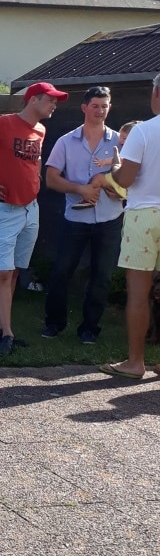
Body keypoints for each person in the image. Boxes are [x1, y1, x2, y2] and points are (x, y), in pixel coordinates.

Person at [0, 81, 68, 357]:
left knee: (16, 271)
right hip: (4, 210)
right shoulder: (3, 124)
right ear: (33, 100)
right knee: (3, 273)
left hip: (31, 210)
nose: (54, 105)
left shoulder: (40, 130)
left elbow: (35, 163)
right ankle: (8, 334)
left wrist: (34, 184)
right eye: (50, 100)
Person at [40, 85, 124, 345]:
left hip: (109, 219)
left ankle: (89, 328)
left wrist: (112, 187)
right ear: (84, 108)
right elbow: (51, 179)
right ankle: (54, 324)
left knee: (102, 276)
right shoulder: (66, 141)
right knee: (61, 271)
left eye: (105, 106)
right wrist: (80, 189)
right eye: (95, 105)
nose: (100, 110)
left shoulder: (120, 142)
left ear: (109, 108)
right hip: (75, 219)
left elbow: (131, 178)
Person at [101, 74, 160, 378]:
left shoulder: (143, 132)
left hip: (143, 214)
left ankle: (136, 362)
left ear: (156, 94)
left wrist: (114, 165)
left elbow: (125, 180)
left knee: (139, 293)